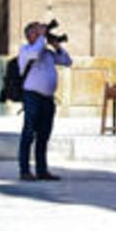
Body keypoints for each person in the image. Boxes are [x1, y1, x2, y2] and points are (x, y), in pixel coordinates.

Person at [16, 20, 73, 182]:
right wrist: (42, 36)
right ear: (30, 36)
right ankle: (25, 170)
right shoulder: (26, 50)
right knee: (28, 134)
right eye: (37, 31)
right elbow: (34, 53)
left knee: (43, 135)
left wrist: (57, 46)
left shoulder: (47, 53)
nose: (42, 34)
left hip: (47, 99)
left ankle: (42, 170)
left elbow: (67, 61)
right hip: (32, 97)